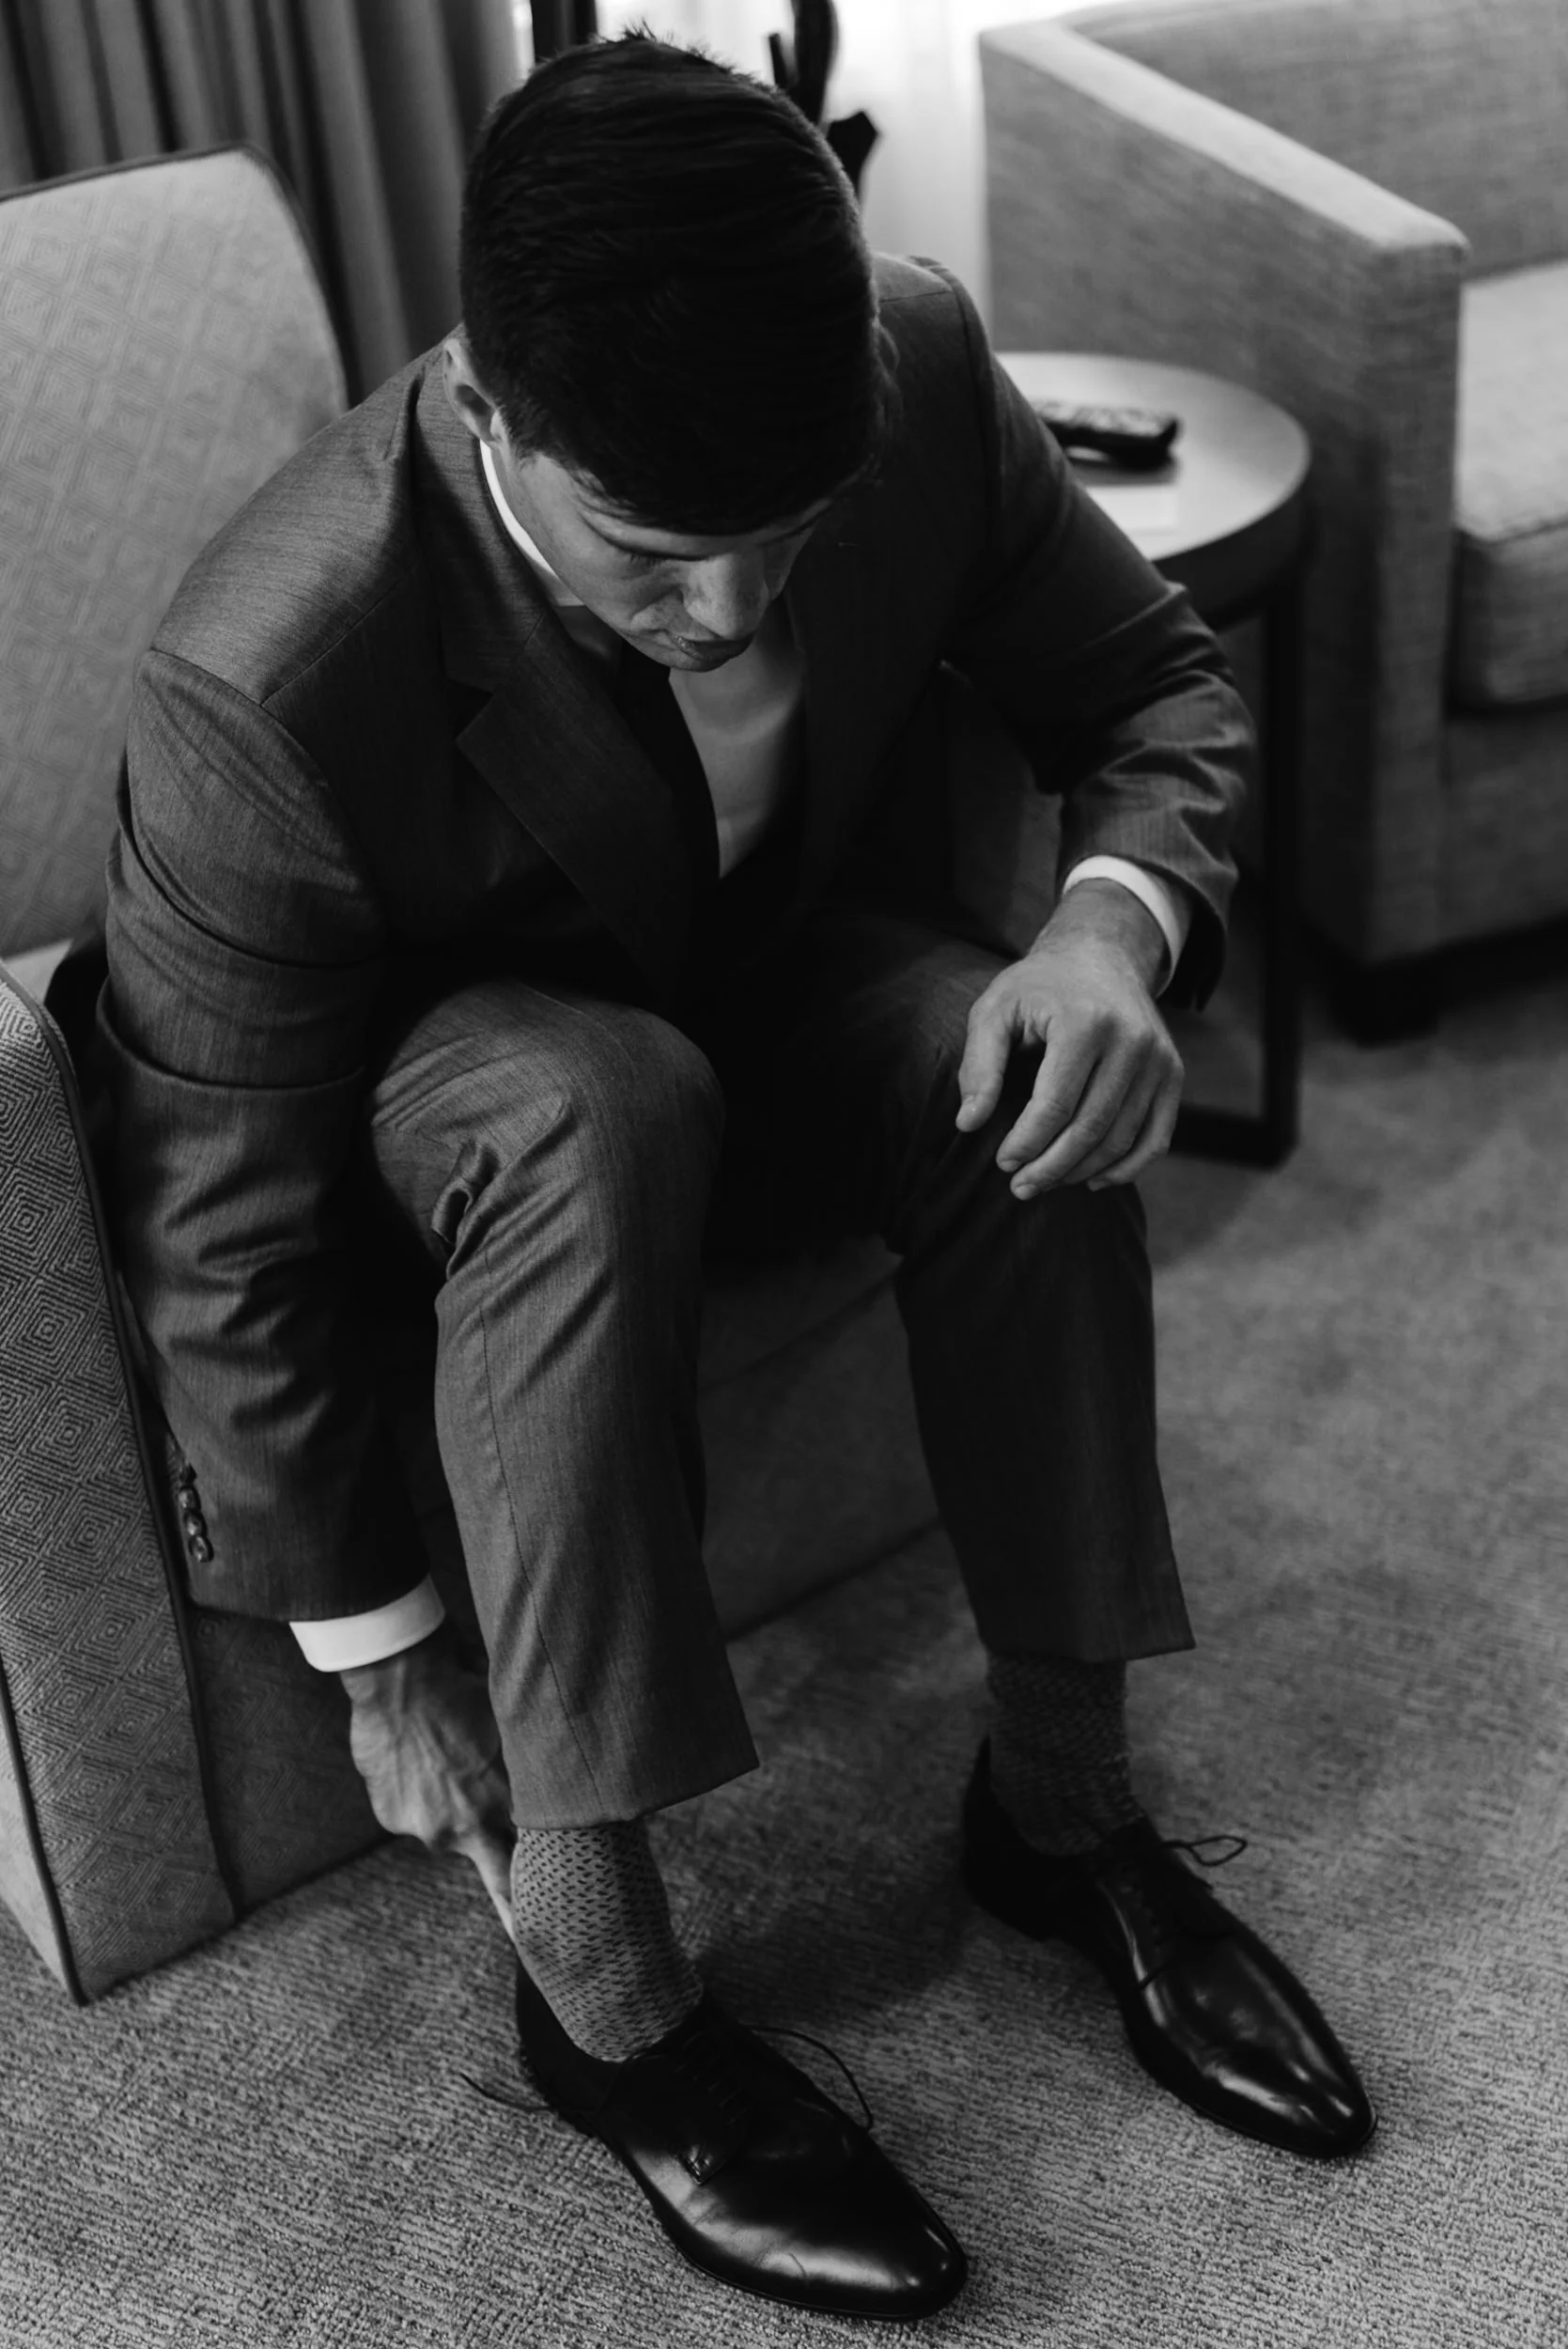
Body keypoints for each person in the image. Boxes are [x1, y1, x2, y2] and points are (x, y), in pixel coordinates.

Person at [97, 33, 1374, 2324]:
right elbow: (222, 1226)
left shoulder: (913, 358)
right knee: (599, 1099)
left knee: (1019, 1052)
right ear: (492, 406)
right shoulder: (263, 685)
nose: (733, 610)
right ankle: (598, 1994)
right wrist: (379, 1658)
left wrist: (1110, 930)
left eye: (782, 541)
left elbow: (1153, 685)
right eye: (657, 556)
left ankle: (1061, 1806)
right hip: (483, 1114)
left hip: (777, 986)